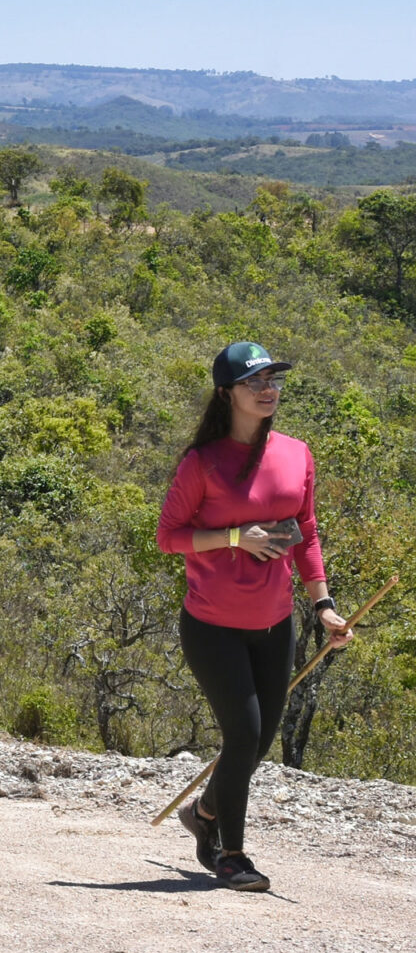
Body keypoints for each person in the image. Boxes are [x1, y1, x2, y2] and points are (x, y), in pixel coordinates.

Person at [157, 341, 350, 892]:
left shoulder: (296, 454)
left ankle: (205, 812)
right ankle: (231, 855)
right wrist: (235, 537)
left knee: (259, 740)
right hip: (212, 624)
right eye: (255, 382)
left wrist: (324, 605)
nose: (269, 390)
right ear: (227, 394)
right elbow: (169, 537)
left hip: (275, 622)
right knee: (242, 734)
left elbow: (306, 534)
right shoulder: (202, 462)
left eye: (274, 380)